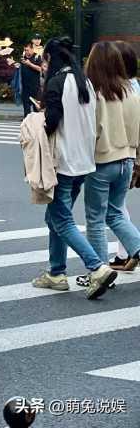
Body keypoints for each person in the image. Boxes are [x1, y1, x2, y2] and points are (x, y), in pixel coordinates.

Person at [31, 36, 117, 300]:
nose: (43, 66)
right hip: (83, 163)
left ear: (50, 58)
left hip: (63, 162)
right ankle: (56, 272)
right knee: (55, 218)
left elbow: (52, 122)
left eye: (44, 60)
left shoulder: (56, 83)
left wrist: (37, 120)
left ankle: (97, 267)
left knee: (62, 220)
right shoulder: (84, 82)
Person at [82, 42, 140, 281]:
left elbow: (90, 131)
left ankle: (99, 271)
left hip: (102, 160)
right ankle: (137, 247)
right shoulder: (131, 93)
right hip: (127, 159)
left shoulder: (95, 94)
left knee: (95, 219)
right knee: (115, 213)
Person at [110, 41, 140, 270]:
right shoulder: (133, 86)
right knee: (117, 205)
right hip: (130, 153)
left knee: (114, 206)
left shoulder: (125, 90)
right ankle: (125, 252)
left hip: (126, 153)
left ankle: (131, 250)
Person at [20, 41, 43, 117]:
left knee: (36, 109)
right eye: (25, 50)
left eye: (27, 50)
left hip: (35, 88)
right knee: (26, 111)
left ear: (32, 49)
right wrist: (17, 65)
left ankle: (36, 123)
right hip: (25, 88)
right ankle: (27, 121)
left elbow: (40, 69)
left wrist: (30, 64)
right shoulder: (23, 57)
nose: (26, 52)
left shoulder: (37, 57)